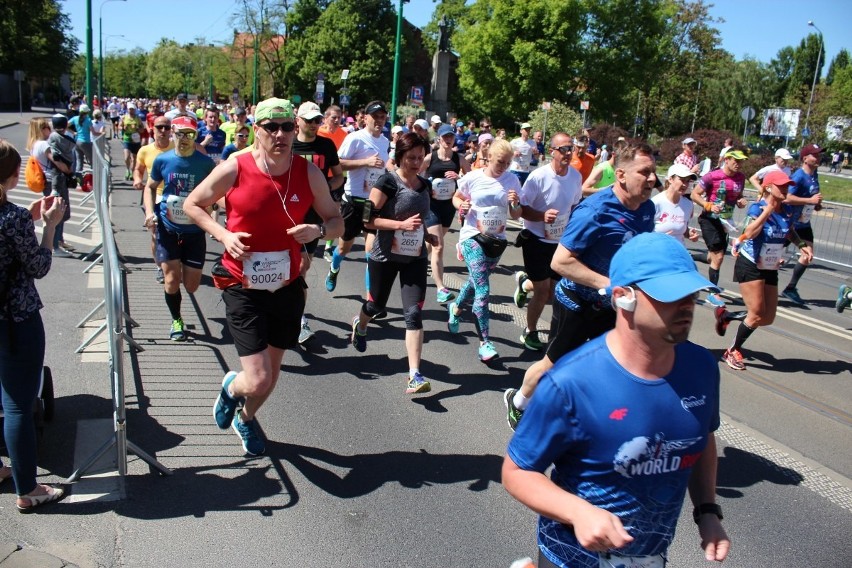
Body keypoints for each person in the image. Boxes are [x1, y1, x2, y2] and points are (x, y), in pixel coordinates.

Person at [503, 231, 729, 568]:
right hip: (573, 557)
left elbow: (701, 439)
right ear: (623, 297)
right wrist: (577, 512)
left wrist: (707, 511)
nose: (686, 305)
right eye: (670, 295)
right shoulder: (571, 382)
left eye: (691, 293)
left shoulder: (701, 368)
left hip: (650, 557)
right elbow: (517, 471)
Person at [183, 97, 343, 456]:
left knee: (270, 375)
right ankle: (231, 388)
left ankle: (246, 418)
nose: (280, 134)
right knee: (256, 378)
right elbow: (193, 204)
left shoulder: (309, 172)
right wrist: (223, 235)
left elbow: (336, 222)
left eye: (287, 127)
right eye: (271, 127)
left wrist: (317, 232)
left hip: (286, 285)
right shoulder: (235, 166)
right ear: (257, 130)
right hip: (243, 284)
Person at [504, 144, 656, 431]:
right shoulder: (595, 210)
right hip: (577, 302)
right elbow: (561, 263)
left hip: (612, 306)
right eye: (645, 172)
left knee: (617, 368)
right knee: (553, 366)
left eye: (653, 173)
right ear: (620, 175)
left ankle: (598, 424)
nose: (652, 179)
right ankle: (519, 401)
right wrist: (609, 284)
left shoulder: (647, 209)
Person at [0, 140, 67, 512]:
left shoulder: (13, 217)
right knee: (17, 406)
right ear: (12, 178)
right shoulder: (13, 219)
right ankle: (29, 490)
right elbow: (38, 266)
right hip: (15, 319)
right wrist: (49, 227)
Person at [350, 133, 438, 394]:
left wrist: (426, 232)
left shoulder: (425, 185)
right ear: (399, 156)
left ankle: (414, 375)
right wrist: (399, 225)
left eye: (420, 158)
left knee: (413, 313)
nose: (416, 162)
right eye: (411, 157)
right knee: (375, 305)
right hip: (385, 256)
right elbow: (367, 221)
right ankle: (361, 324)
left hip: (415, 258)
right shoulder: (386, 182)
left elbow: (420, 218)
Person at [714, 171, 812, 371]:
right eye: (781, 186)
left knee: (767, 317)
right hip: (750, 264)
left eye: (787, 185)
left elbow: (789, 230)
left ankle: (728, 317)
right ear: (768, 187)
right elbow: (749, 233)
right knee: (757, 313)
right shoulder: (757, 209)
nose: (786, 189)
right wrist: (768, 210)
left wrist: (801, 244)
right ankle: (732, 351)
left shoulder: (786, 211)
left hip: (770, 266)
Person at [141, 115, 216, 341]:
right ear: (173, 134)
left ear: (195, 136)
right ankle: (177, 320)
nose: (184, 138)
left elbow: (217, 191)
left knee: (191, 286)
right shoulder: (163, 160)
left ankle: (182, 269)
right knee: (171, 280)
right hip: (168, 226)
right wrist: (149, 212)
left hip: (194, 230)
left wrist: (212, 213)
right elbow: (150, 187)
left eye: (189, 134)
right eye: (180, 133)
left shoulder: (204, 163)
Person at [448, 139, 522, 361]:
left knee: (475, 281)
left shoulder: (512, 180)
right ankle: (485, 343)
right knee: (483, 289)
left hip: (496, 240)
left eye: (508, 163)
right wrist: (461, 205)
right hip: (472, 236)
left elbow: (517, 215)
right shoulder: (473, 177)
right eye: (500, 161)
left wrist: (515, 204)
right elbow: (457, 197)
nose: (504, 167)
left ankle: (456, 308)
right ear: (489, 157)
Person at [512, 133, 583, 352]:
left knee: (553, 293)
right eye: (563, 149)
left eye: (571, 148)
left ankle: (525, 284)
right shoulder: (538, 177)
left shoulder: (575, 177)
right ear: (552, 152)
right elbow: (521, 209)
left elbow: (573, 207)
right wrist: (542, 216)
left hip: (560, 242)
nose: (568, 153)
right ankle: (530, 331)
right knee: (543, 293)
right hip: (536, 239)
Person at [292, 101, 345, 343]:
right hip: (288, 214)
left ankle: (298, 318)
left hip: (313, 217)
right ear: (298, 120)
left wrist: (323, 192)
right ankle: (283, 313)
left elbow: (338, 176)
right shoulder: (288, 144)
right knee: (283, 267)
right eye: (309, 120)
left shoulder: (325, 145)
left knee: (302, 268)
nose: (314, 125)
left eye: (317, 120)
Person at [325, 101, 390, 294]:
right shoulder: (355, 138)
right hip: (353, 201)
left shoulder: (385, 142)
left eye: (382, 117)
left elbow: (385, 167)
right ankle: (334, 268)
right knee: (344, 248)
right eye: (375, 116)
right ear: (365, 118)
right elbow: (337, 164)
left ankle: (371, 299)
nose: (379, 120)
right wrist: (366, 162)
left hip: (373, 203)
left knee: (371, 253)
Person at [690, 149, 749, 307]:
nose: (739, 164)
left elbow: (739, 195)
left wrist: (741, 200)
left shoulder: (740, 178)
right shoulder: (713, 176)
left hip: (725, 222)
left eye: (741, 161)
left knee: (713, 257)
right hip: (709, 219)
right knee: (719, 257)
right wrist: (708, 205)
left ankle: (689, 257)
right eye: (736, 160)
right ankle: (712, 293)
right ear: (727, 160)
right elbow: (694, 194)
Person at [421, 123, 471, 305]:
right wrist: (428, 186)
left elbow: (472, 180)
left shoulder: (459, 159)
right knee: (439, 246)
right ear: (439, 139)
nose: (448, 140)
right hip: (431, 206)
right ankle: (441, 289)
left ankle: (420, 261)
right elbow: (416, 177)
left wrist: (459, 178)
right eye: (445, 137)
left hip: (448, 206)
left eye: (451, 137)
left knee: (433, 243)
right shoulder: (430, 158)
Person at [779, 144, 823, 306]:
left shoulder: (814, 173)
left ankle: (790, 288)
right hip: (790, 223)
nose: (818, 157)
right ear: (805, 158)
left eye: (819, 155)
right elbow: (786, 197)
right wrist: (809, 201)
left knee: (807, 255)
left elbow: (812, 196)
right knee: (768, 254)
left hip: (804, 223)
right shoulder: (798, 176)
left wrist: (816, 204)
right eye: (815, 155)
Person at [134, 115, 174, 284]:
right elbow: (138, 169)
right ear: (153, 130)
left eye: (166, 127)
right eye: (159, 127)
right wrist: (137, 179)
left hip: (174, 196)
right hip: (154, 195)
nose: (163, 131)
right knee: (156, 233)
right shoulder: (145, 150)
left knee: (175, 233)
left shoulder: (177, 148)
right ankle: (159, 267)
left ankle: (173, 264)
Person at [45, 114, 77, 258]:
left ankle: (58, 240)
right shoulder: (69, 140)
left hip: (56, 175)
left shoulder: (52, 138)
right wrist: (70, 171)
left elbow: (56, 157)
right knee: (60, 208)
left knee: (59, 208)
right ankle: (55, 244)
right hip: (62, 176)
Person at [652, 164, 700, 243]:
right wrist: (658, 239)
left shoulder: (688, 204)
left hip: (678, 252)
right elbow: (642, 233)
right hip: (657, 252)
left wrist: (690, 234)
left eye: (688, 181)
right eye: (682, 180)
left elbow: (682, 230)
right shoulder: (655, 203)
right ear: (670, 179)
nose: (685, 184)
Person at [119, 102, 146, 180]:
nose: (131, 111)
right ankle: (127, 169)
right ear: (128, 110)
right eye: (130, 109)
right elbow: (120, 127)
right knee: (126, 157)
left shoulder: (138, 118)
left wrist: (138, 129)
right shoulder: (124, 117)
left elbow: (142, 129)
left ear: (135, 110)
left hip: (136, 140)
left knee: (134, 158)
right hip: (127, 139)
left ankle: (131, 171)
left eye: (132, 109)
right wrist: (123, 128)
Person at [68, 103, 94, 168]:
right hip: (85, 142)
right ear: (87, 112)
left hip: (77, 141)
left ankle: (78, 176)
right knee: (92, 160)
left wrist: (73, 132)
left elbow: (65, 125)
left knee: (79, 161)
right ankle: (93, 176)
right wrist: (101, 133)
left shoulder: (75, 118)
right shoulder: (88, 120)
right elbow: (93, 131)